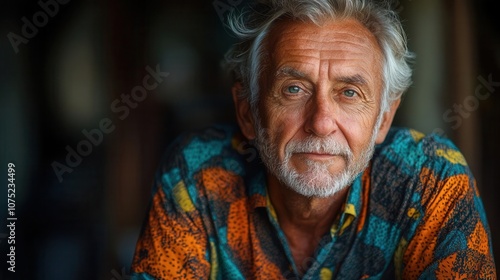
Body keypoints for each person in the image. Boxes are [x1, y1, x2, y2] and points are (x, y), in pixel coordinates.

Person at [130, 0, 496, 279]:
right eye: (293, 89)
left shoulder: (432, 179)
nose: (321, 123)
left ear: (383, 118)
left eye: (349, 93)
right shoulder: (197, 173)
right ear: (247, 113)